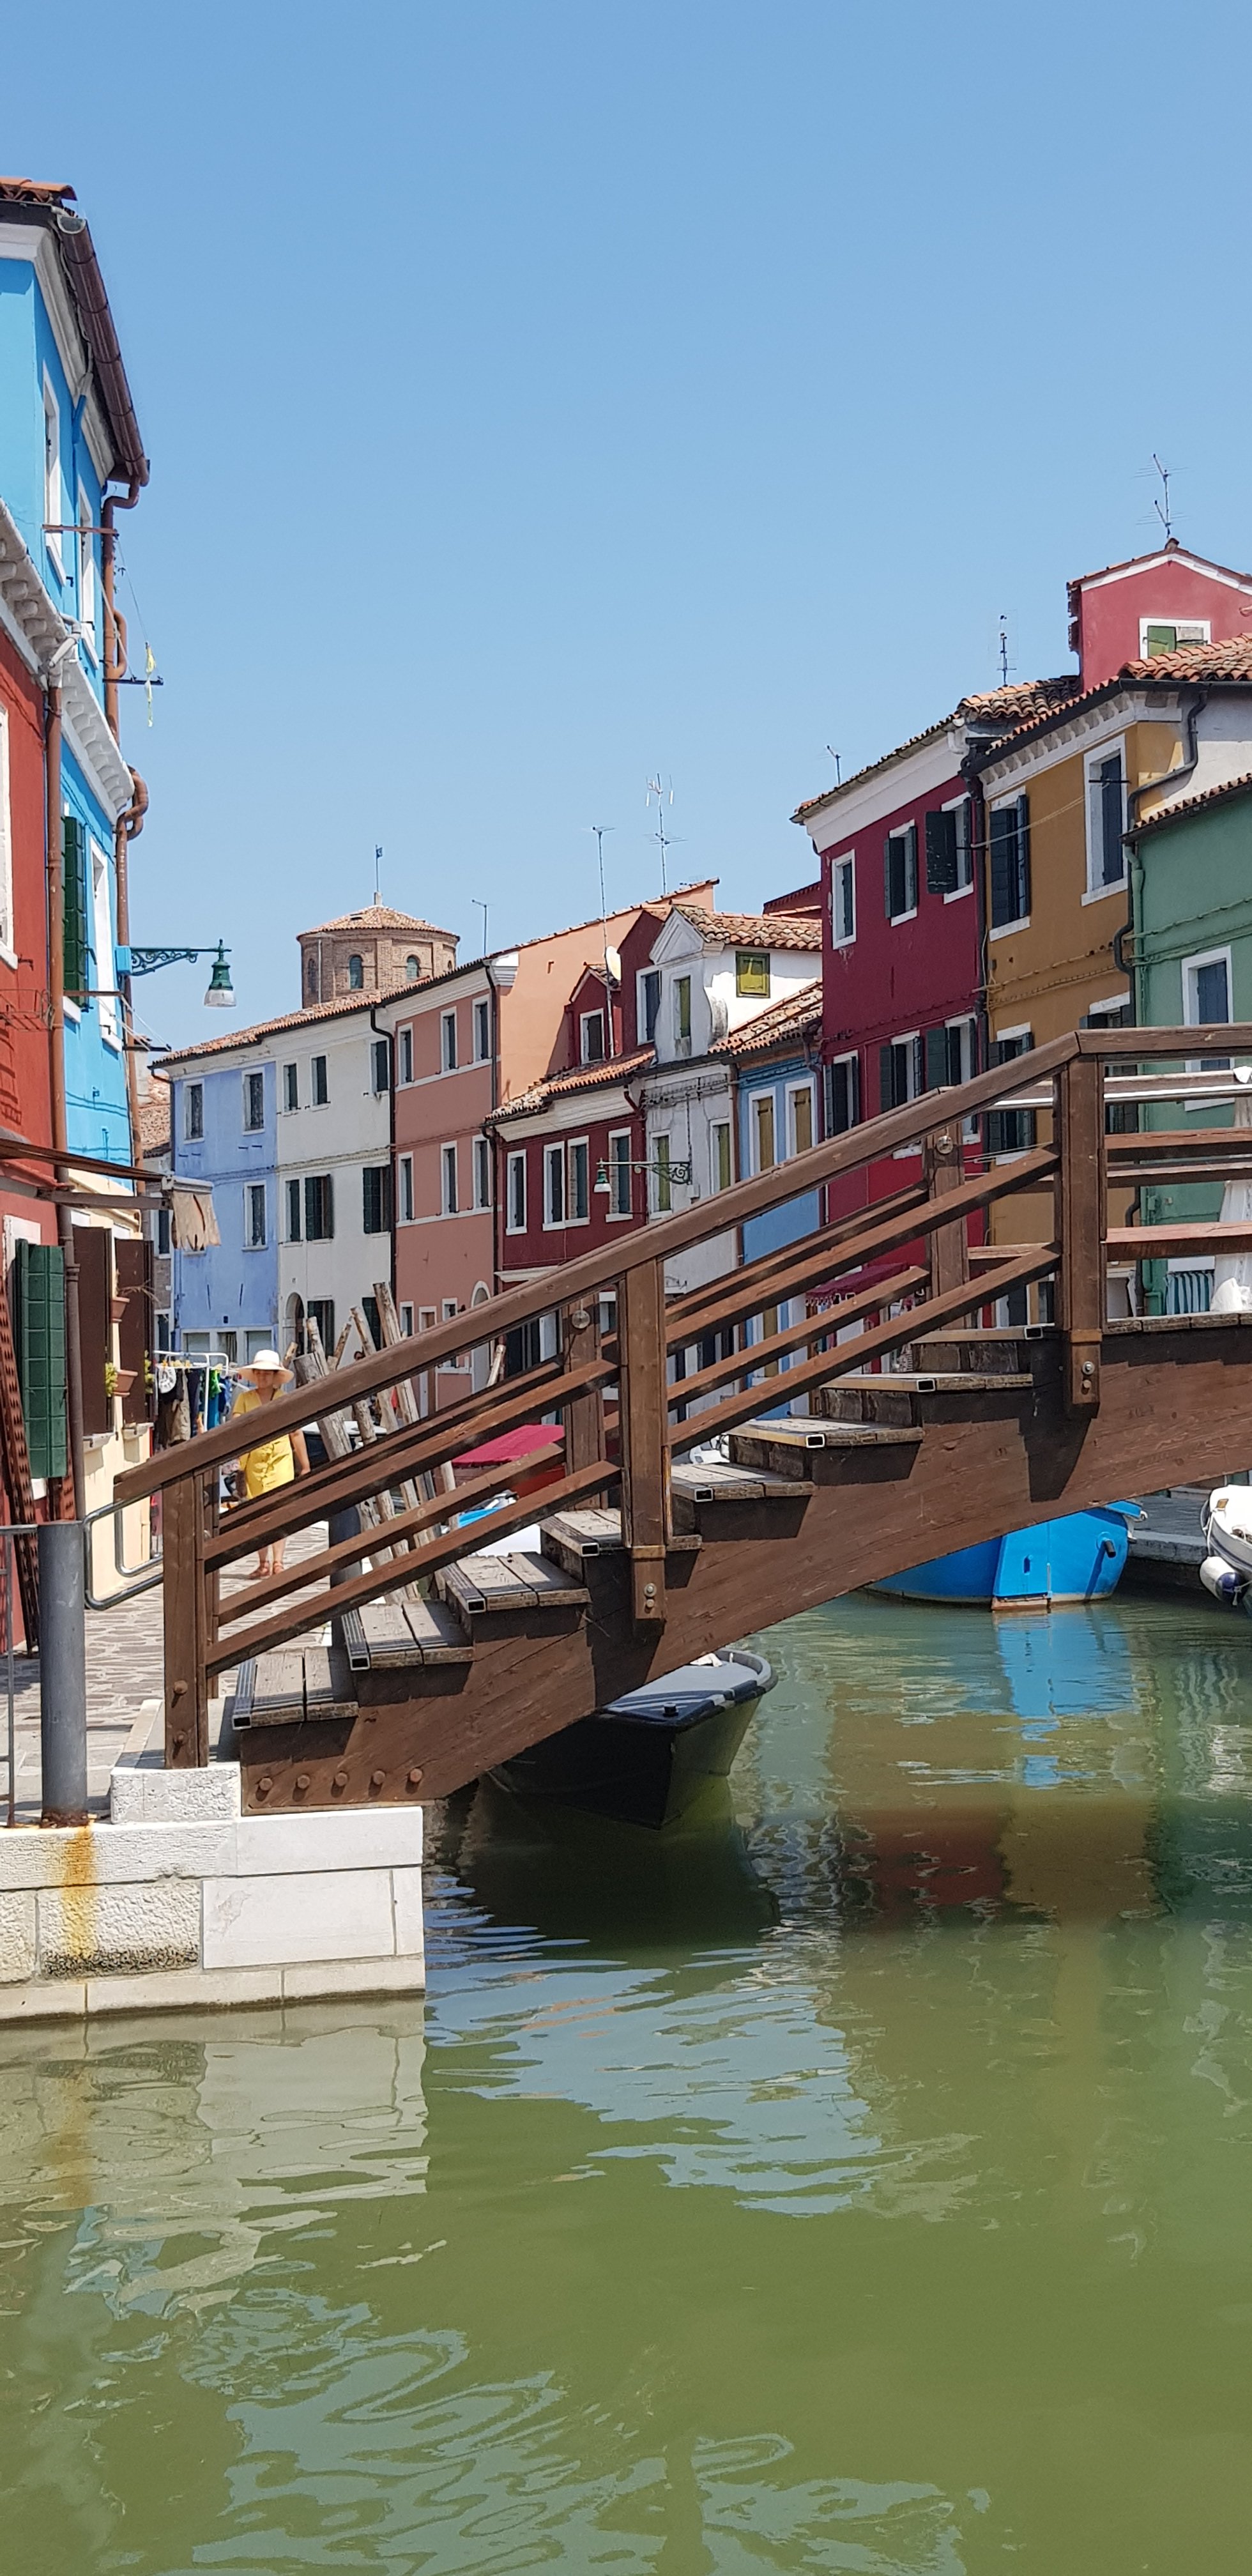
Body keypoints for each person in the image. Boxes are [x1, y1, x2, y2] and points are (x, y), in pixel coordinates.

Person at [229, 1351, 309, 1576]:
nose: (263, 1377)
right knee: (257, 1514)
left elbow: (296, 1433)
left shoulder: (284, 1400)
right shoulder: (244, 1399)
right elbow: (236, 1428)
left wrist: (305, 1465)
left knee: (278, 1511)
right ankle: (263, 1562)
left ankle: (278, 1562)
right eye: (259, 1373)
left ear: (275, 1376)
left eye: (267, 1373)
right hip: (254, 1463)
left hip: (280, 1460)